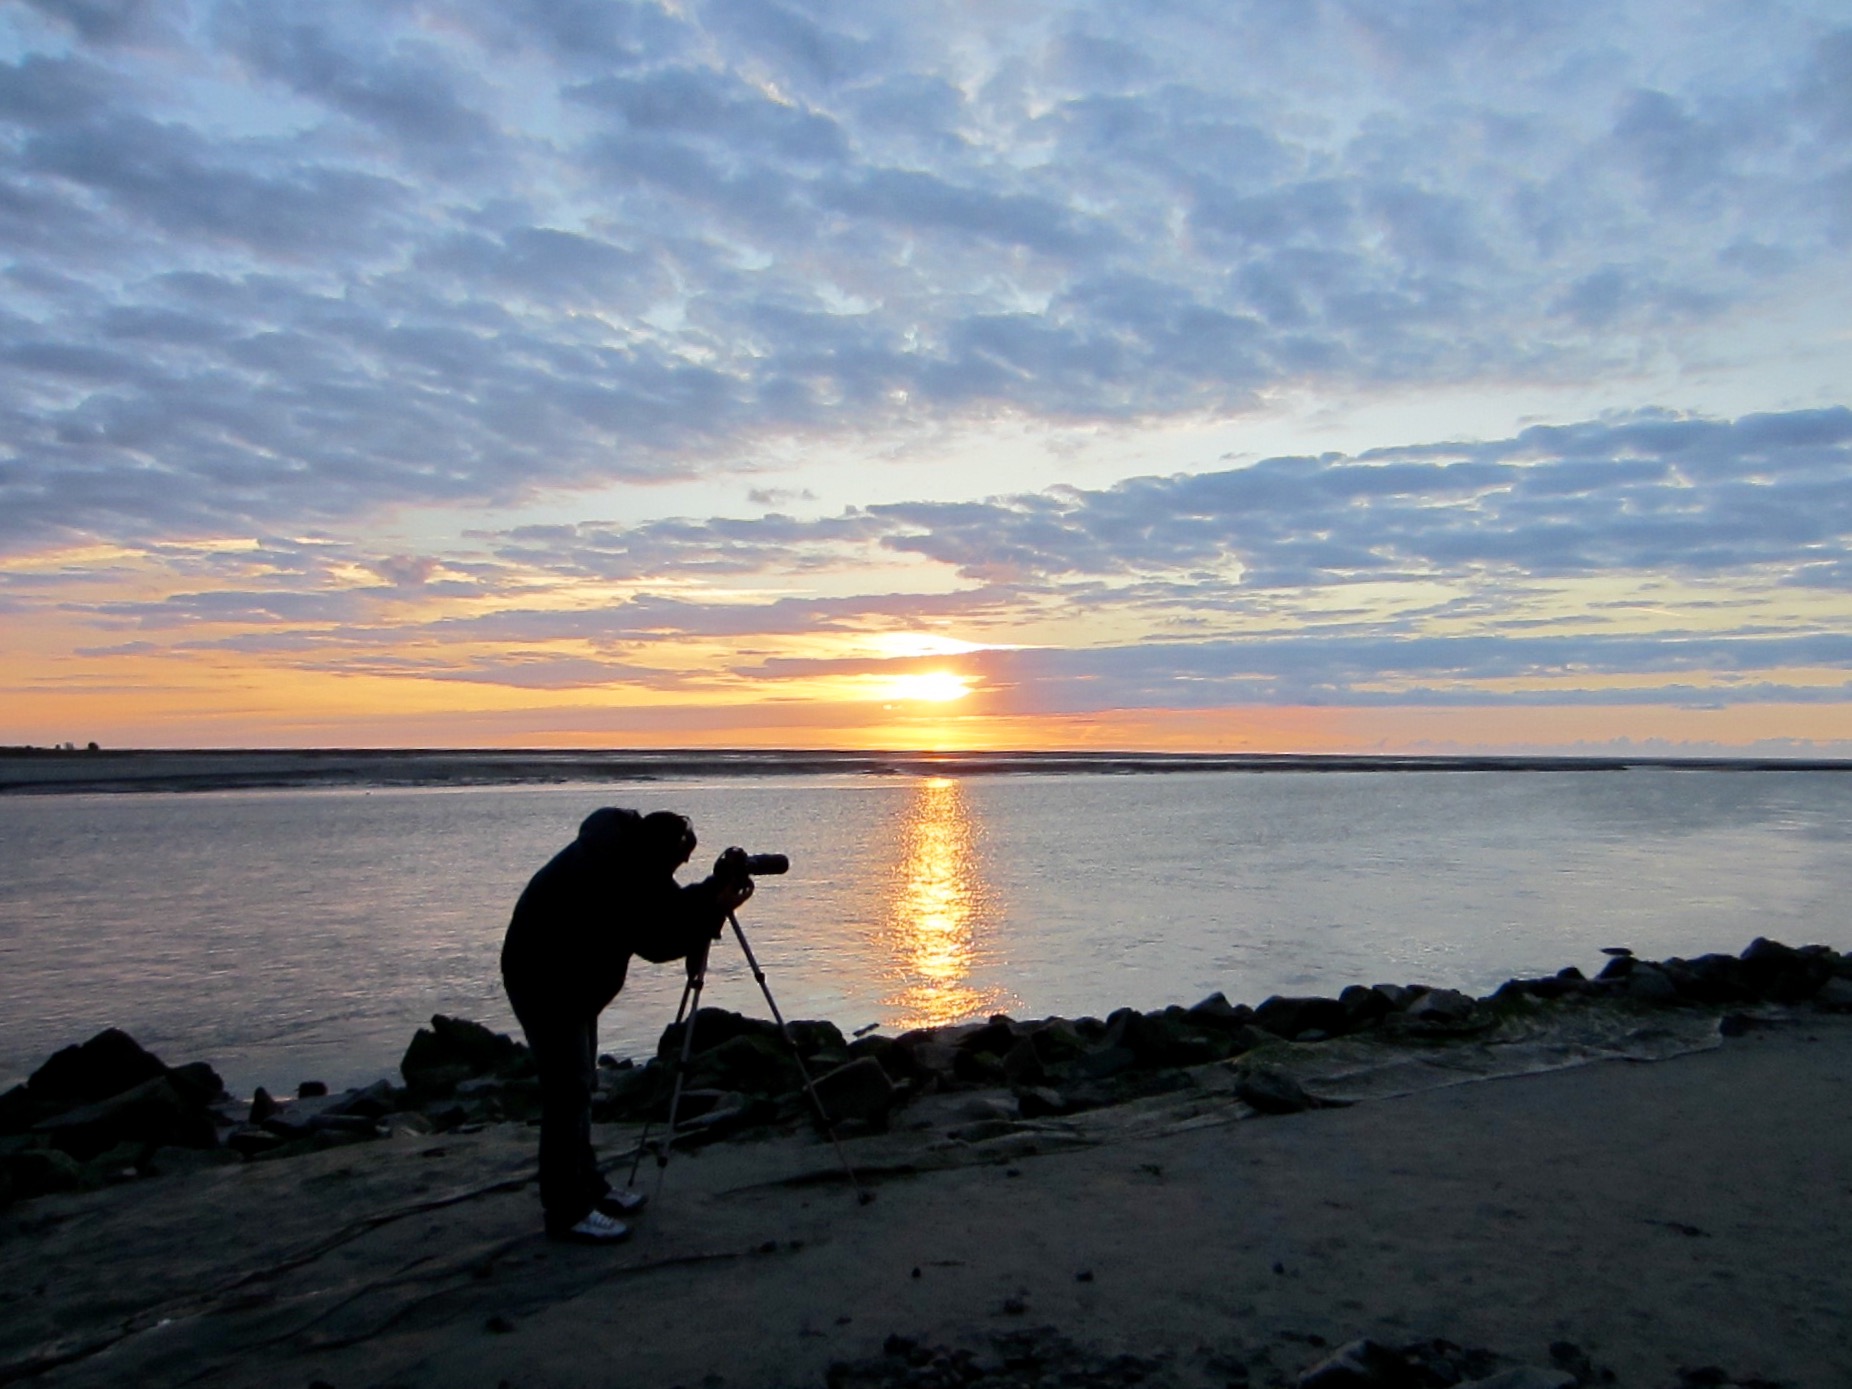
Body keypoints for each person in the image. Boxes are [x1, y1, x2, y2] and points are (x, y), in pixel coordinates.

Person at [500, 807, 753, 1244]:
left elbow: (667, 905)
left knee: (580, 1087)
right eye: (678, 861)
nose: (678, 869)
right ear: (661, 853)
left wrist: (712, 891)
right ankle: (566, 1212)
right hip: (545, 983)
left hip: (569, 982)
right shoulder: (614, 873)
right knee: (568, 1095)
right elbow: (657, 940)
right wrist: (713, 909)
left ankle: (589, 1188)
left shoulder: (627, 855)